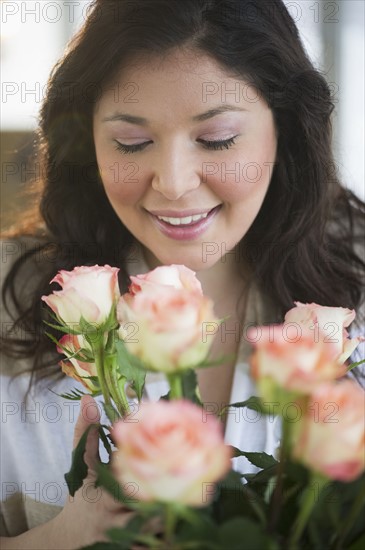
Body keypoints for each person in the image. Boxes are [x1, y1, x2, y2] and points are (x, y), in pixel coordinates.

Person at [1, 0, 364, 547]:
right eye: (131, 143)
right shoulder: (13, 296)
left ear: (286, 130)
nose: (172, 182)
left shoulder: (355, 276)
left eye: (217, 139)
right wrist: (64, 537)